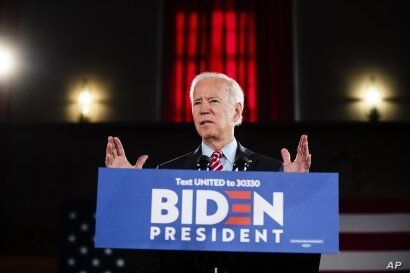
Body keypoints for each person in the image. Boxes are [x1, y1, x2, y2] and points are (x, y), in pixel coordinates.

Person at [105, 72, 320, 273]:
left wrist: (298, 193)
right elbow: (146, 261)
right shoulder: (168, 173)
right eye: (197, 102)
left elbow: (300, 264)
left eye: (213, 101)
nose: (203, 109)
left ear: (236, 111)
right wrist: (129, 193)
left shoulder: (273, 172)